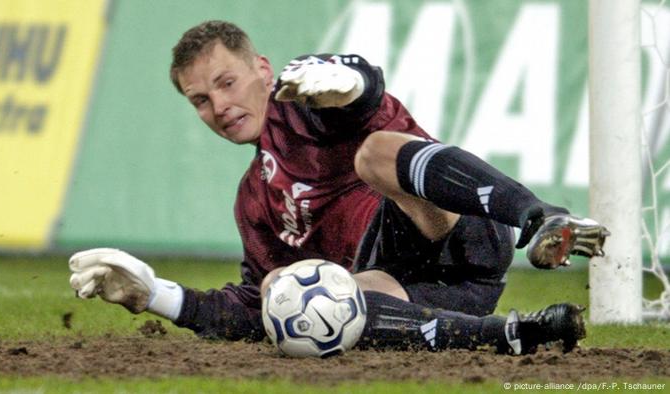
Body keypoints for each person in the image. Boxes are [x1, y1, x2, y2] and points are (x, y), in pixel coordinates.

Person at [68, 20, 608, 354]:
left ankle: (538, 215)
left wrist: (350, 83)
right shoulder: (253, 198)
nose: (219, 106)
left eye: (226, 83)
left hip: (458, 228)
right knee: (287, 293)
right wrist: (155, 295)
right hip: (417, 293)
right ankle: (511, 336)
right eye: (200, 100)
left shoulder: (309, 106)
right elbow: (250, 308)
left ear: (261, 68)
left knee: (373, 151)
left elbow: (363, 93)